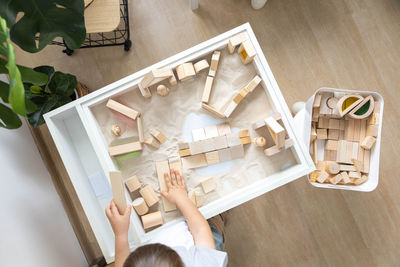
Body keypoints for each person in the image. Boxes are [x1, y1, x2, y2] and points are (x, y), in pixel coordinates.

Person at [105, 169, 228, 267]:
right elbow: (201, 230)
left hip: (161, 232)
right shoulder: (202, 263)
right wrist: (181, 198)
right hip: (198, 238)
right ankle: (222, 215)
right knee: (214, 213)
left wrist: (120, 234)